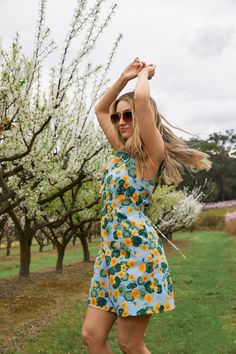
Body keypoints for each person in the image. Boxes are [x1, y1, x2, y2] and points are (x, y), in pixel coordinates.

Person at [81, 58, 211, 354]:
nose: (121, 121)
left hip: (138, 257)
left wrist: (142, 76)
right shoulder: (120, 152)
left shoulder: (151, 155)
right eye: (118, 118)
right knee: (91, 335)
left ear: (143, 117)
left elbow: (141, 98)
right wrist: (122, 77)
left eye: (127, 115)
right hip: (110, 257)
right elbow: (101, 109)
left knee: (130, 344)